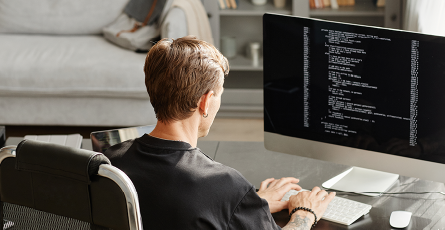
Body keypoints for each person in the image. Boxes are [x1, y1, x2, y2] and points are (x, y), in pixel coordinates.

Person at [104, 36, 335, 230]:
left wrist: (246, 205)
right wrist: (304, 214)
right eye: (219, 93)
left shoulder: (110, 162)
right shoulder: (223, 184)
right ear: (205, 101)